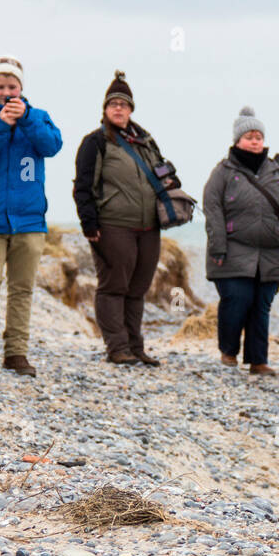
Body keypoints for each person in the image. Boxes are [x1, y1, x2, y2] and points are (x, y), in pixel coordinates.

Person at [0, 55, 62, 377]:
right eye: (0, 86)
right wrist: (1, 124)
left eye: (12, 86)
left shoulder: (39, 117)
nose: (6, 92)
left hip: (30, 220)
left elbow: (51, 146)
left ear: (21, 87)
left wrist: (27, 119)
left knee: (22, 289)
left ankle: (16, 353)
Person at [72, 70, 173, 367]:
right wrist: (88, 223)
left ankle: (135, 346)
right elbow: (82, 186)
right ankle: (116, 347)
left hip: (148, 226)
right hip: (113, 225)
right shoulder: (95, 142)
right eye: (113, 104)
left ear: (131, 109)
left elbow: (160, 176)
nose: (118, 108)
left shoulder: (146, 142)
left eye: (124, 104)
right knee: (113, 285)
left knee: (138, 288)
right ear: (104, 109)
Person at [202, 106, 279, 376]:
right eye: (249, 136)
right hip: (234, 249)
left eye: (258, 136)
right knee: (237, 300)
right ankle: (228, 352)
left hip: (270, 253)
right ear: (237, 140)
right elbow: (212, 211)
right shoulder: (222, 172)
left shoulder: (276, 173)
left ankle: (258, 361)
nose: (255, 141)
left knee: (261, 306)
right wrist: (218, 246)